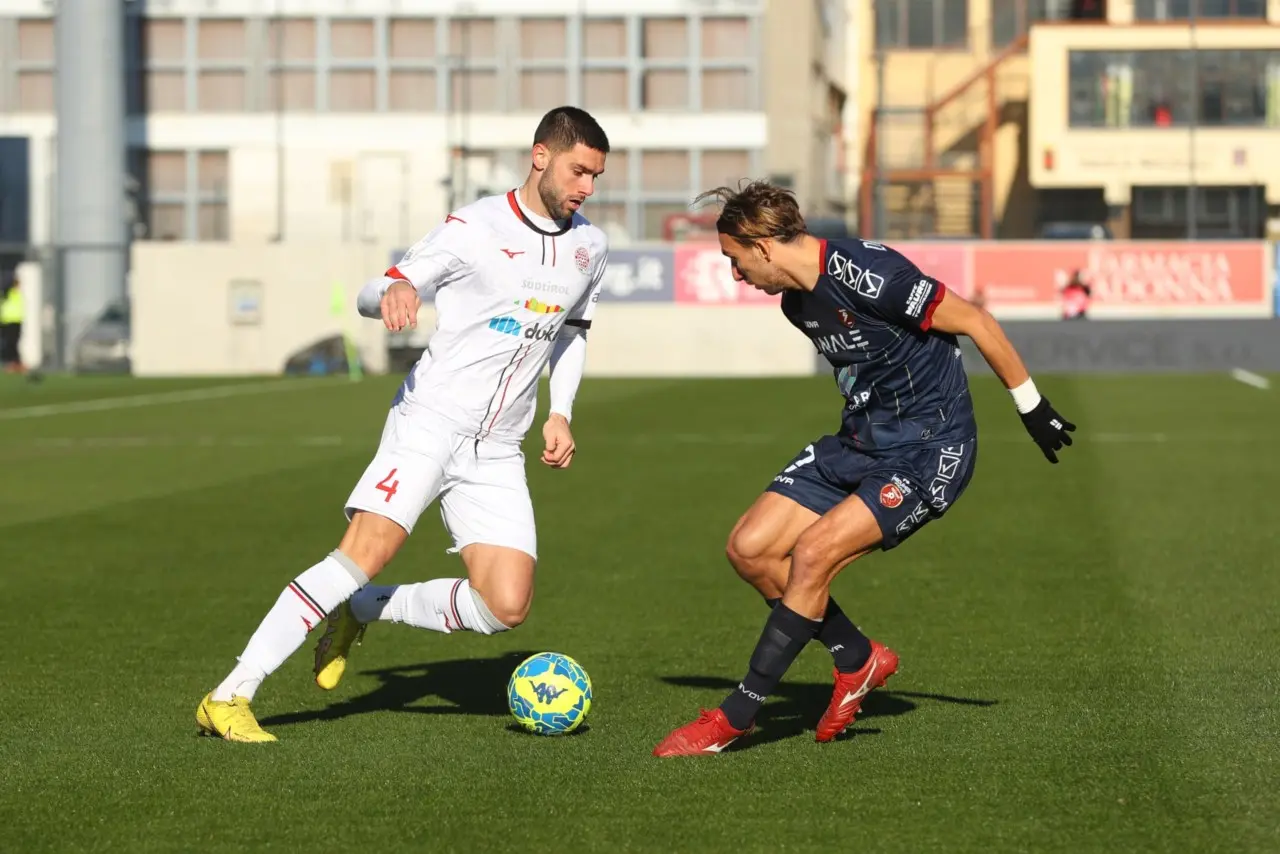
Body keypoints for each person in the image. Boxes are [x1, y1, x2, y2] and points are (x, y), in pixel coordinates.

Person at [196, 106, 612, 742]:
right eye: (579, 171)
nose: (586, 187)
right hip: (431, 421)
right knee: (364, 552)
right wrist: (395, 292)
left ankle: (363, 609)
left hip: (499, 447)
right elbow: (378, 288)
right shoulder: (474, 227)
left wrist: (561, 410)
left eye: (595, 177)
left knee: (506, 606)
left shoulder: (589, 246)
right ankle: (229, 695)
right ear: (540, 156)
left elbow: (573, 332)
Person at [652, 182, 1075, 757]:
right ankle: (857, 657)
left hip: (932, 449)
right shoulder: (796, 303)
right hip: (861, 441)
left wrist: (1033, 408)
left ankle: (736, 716)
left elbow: (974, 320)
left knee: (812, 555)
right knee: (750, 549)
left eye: (736, 258)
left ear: (764, 245)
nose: (735, 274)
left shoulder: (867, 273)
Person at [1, 274, 25, 374]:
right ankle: (15, 363)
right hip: (8, 321)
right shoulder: (10, 293)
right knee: (11, 344)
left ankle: (15, 363)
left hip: (13, 321)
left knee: (12, 344)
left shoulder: (13, 294)